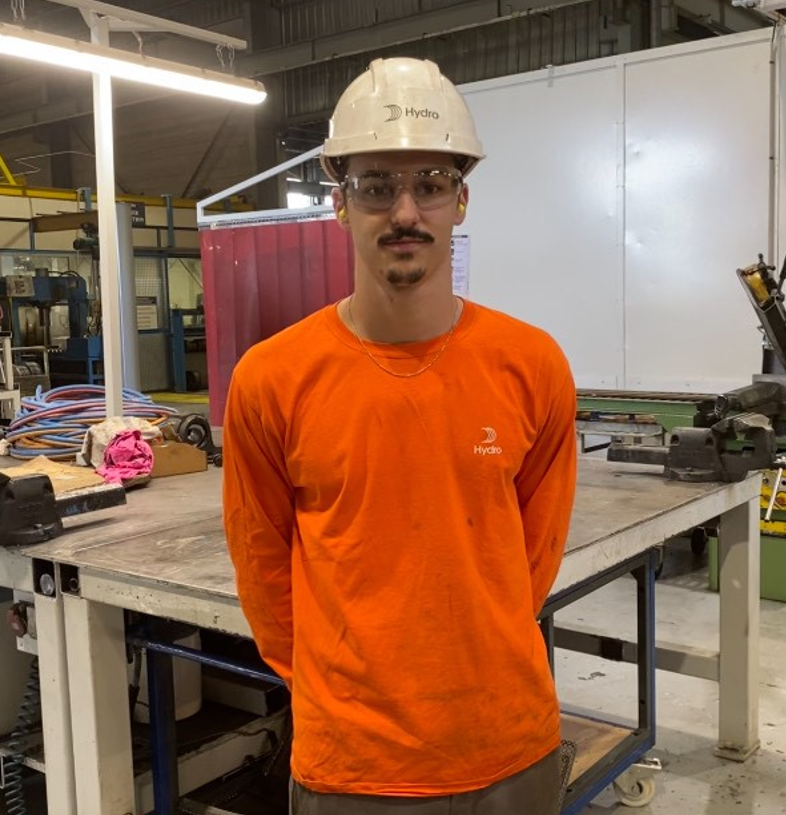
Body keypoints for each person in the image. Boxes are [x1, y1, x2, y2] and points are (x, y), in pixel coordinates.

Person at [222, 56, 578, 815]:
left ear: (462, 199)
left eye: (431, 184)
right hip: (352, 766)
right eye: (377, 186)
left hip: (507, 746)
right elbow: (263, 571)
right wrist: (341, 692)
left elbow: (532, 562)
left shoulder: (532, 365)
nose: (406, 210)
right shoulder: (272, 378)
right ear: (341, 203)